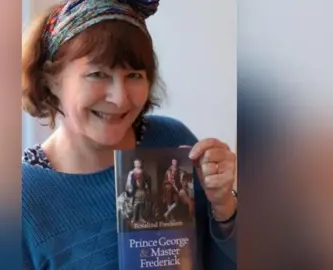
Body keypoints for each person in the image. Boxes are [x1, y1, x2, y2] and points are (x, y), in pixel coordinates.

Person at [21, 1, 237, 269]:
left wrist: (224, 208)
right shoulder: (23, 196)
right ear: (50, 80)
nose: (119, 97)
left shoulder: (170, 140)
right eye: (97, 74)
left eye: (134, 75)